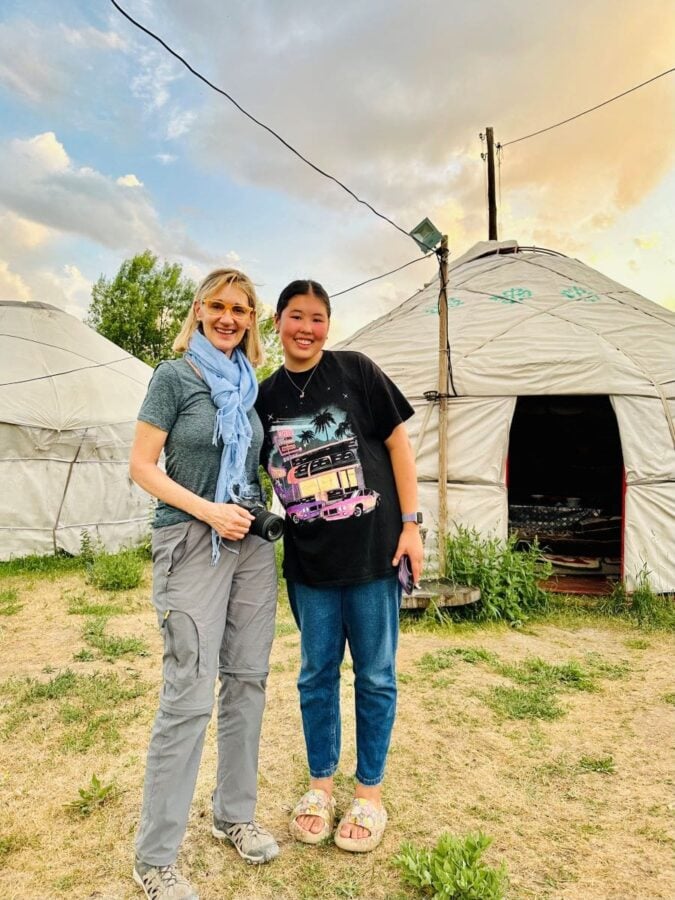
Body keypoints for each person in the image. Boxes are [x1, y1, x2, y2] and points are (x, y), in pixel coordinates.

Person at [255, 279, 424, 853]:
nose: (306, 328)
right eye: (296, 316)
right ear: (276, 321)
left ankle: (369, 794)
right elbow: (248, 469)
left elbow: (400, 445)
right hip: (310, 563)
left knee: (376, 676)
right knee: (316, 677)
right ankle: (321, 788)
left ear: (329, 324)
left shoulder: (357, 371)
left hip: (376, 553)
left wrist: (412, 525)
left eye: (318, 318)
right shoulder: (264, 397)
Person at [129, 268, 279, 900]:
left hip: (249, 548)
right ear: (198, 310)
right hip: (191, 543)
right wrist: (207, 509)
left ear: (251, 320)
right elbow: (141, 466)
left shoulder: (252, 389)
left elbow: (263, 462)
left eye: (240, 309)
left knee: (246, 680)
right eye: (218, 306)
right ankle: (156, 858)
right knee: (188, 694)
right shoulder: (173, 377)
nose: (228, 317)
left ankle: (233, 817)